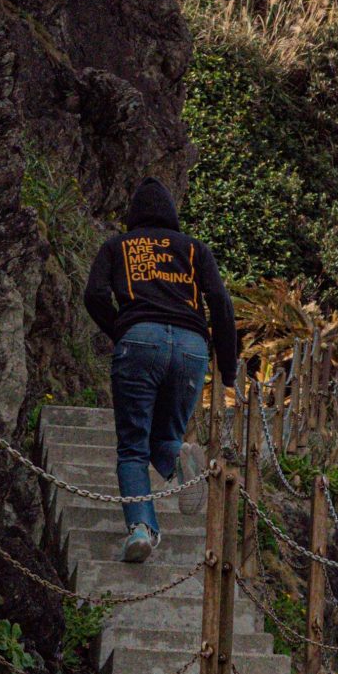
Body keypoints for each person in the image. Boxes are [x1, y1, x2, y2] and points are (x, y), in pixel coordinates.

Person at [82, 178, 239, 562]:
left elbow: (94, 295)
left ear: (135, 215)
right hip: (191, 346)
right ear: (171, 213)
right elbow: (220, 300)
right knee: (165, 435)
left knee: (133, 447)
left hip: (139, 340)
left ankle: (141, 529)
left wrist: (121, 328)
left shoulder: (117, 245)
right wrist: (229, 368)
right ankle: (179, 456)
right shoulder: (193, 249)